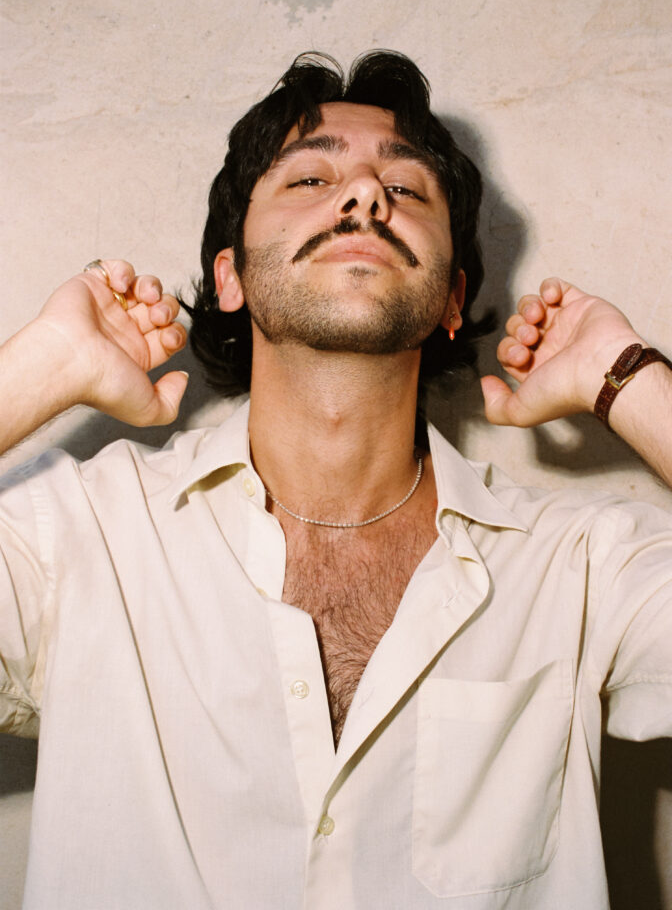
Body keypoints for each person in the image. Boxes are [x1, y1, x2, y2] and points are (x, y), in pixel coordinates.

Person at [1, 51, 670, 910]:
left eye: (406, 188)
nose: (363, 197)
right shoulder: (79, 533)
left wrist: (629, 380)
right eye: (311, 178)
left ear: (454, 298)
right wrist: (43, 366)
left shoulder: (578, 566)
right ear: (231, 275)